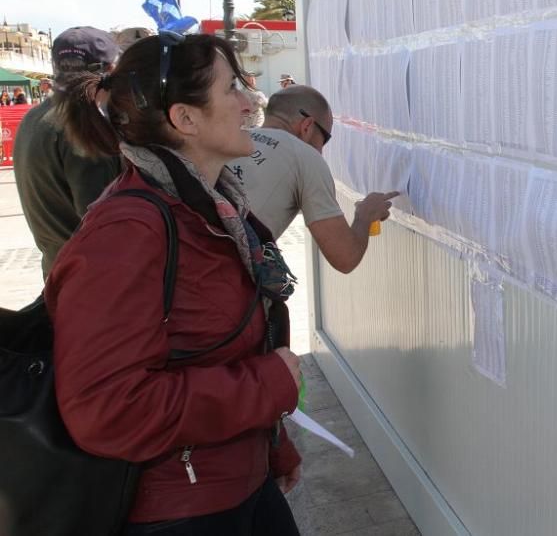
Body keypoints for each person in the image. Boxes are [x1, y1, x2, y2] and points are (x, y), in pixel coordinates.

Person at [45, 32, 303, 534]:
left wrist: (274, 442)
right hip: (179, 510)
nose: (252, 102)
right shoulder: (128, 232)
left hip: (238, 482)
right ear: (185, 119)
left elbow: (221, 349)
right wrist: (268, 384)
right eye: (233, 88)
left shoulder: (210, 207)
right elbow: (106, 408)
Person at [227, 85, 396, 272]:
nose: (321, 151)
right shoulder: (305, 157)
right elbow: (345, 257)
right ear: (307, 126)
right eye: (324, 139)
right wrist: (365, 216)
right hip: (221, 281)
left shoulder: (232, 141)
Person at [13, 27, 124, 278]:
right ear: (108, 71)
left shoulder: (36, 116)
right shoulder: (83, 127)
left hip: (60, 272)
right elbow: (102, 222)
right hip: (92, 280)